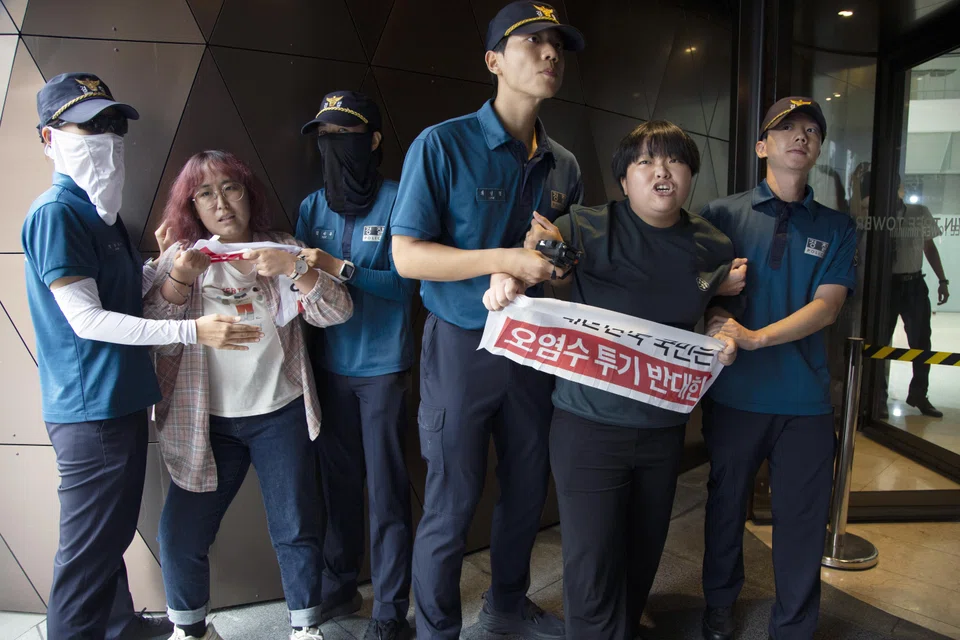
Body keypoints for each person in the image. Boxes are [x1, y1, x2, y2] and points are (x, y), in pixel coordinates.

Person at [21, 73, 259, 640]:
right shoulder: (58, 213)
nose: (106, 138)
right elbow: (85, 319)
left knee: (112, 533)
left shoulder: (103, 215)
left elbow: (123, 292)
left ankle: (118, 626)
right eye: (89, 126)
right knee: (88, 549)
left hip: (122, 399)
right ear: (49, 138)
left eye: (112, 125)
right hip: (90, 409)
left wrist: (168, 262)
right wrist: (193, 331)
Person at [486, 121, 739, 639]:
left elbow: (714, 308)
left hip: (664, 428)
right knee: (592, 562)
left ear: (691, 174)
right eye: (645, 162)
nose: (661, 172)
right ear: (624, 180)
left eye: (674, 160)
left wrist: (723, 332)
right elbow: (534, 265)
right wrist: (504, 278)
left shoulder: (711, 245)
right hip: (588, 426)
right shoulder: (582, 226)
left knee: (642, 553)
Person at [390, 2, 585, 638]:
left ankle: (507, 604)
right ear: (493, 60)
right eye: (532, 42)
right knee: (451, 501)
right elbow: (407, 254)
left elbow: (565, 265)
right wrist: (503, 259)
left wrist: (551, 265)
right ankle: (437, 629)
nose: (550, 53)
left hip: (536, 348)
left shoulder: (566, 165)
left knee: (528, 490)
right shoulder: (443, 145)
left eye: (557, 43)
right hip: (462, 349)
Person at [143, 150, 354, 640]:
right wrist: (177, 277)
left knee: (296, 527)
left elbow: (338, 310)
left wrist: (295, 269)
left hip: (279, 413)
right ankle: (191, 630)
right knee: (179, 534)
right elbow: (151, 333)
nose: (221, 202)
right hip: (207, 422)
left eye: (230, 188)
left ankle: (304, 628)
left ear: (248, 193)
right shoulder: (183, 256)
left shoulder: (281, 247)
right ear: (192, 206)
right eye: (205, 193)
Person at [697, 97, 857, 640]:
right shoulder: (721, 214)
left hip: (805, 400)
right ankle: (718, 603)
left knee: (803, 521)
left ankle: (793, 625)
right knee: (724, 507)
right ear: (762, 146)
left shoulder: (837, 226)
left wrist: (756, 336)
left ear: (818, 149)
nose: (801, 136)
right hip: (735, 393)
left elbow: (828, 305)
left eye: (812, 130)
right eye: (786, 128)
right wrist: (719, 313)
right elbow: (701, 293)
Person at [296, 91, 417, 640]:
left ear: (372, 142)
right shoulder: (310, 207)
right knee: (337, 484)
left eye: (346, 139)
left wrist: (338, 266)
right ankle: (340, 581)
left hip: (383, 370)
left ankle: (390, 609)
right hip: (329, 369)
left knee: (387, 490)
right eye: (326, 140)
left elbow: (405, 285)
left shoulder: (399, 201)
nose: (335, 150)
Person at [862, 171, 949, 418]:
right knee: (879, 342)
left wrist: (942, 280)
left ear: (899, 188)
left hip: (913, 285)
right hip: (884, 286)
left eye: (893, 186)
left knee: (921, 342)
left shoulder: (919, 213)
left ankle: (919, 394)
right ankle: (877, 398)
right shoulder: (873, 216)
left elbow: (929, 247)